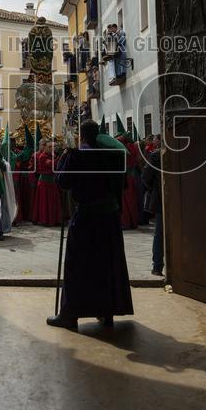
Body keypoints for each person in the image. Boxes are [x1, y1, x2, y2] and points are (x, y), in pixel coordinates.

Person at [48, 120, 133, 330]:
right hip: (110, 218)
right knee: (107, 263)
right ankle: (107, 312)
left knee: (77, 265)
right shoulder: (112, 156)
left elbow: (62, 182)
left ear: (82, 136)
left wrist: (64, 158)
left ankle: (70, 315)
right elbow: (124, 183)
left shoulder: (76, 155)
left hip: (87, 218)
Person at [142, 140, 165, 275]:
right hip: (170, 197)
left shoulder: (156, 155)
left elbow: (145, 177)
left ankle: (157, 267)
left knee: (160, 234)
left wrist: (154, 190)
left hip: (161, 198)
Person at [113, 115, 140, 229]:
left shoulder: (124, 148)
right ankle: (133, 222)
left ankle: (126, 222)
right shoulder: (133, 147)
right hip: (132, 176)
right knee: (132, 201)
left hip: (125, 177)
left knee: (125, 202)